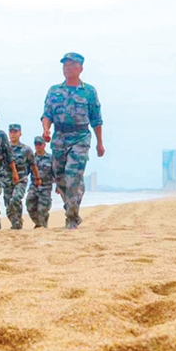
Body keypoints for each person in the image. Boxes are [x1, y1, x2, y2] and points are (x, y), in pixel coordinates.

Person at [41, 52, 105, 229]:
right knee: (60, 178)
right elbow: (47, 114)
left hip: (80, 137)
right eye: (65, 65)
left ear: (81, 68)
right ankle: (73, 209)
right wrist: (46, 129)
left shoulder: (89, 91)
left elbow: (96, 120)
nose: (67, 67)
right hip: (59, 137)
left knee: (73, 176)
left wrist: (100, 143)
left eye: (71, 64)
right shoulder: (54, 91)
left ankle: (71, 218)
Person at [6, 124, 38, 230]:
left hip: (21, 180)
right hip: (7, 180)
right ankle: (16, 223)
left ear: (20, 133)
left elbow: (33, 165)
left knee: (15, 199)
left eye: (15, 132)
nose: (13, 134)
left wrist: (37, 178)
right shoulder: (5, 148)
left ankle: (17, 222)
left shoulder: (26, 149)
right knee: (9, 206)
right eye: (11, 132)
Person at [25, 136, 53, 228]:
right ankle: (39, 223)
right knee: (29, 205)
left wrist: (58, 186)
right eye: (36, 144)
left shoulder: (50, 158)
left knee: (42, 209)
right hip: (34, 186)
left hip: (46, 187)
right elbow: (26, 171)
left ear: (44, 145)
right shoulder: (31, 158)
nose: (38, 146)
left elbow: (56, 173)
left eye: (40, 144)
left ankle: (42, 226)